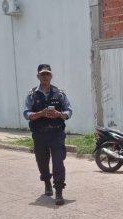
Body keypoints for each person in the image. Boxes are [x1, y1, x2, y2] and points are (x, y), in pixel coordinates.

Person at [23, 64, 73, 205]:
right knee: (42, 162)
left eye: (47, 74)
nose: (45, 77)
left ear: (51, 76)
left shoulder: (60, 93)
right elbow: (26, 114)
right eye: (42, 74)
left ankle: (59, 191)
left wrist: (60, 114)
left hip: (56, 134)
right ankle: (46, 182)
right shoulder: (32, 95)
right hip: (39, 135)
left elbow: (69, 110)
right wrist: (40, 113)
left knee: (58, 163)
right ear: (38, 76)